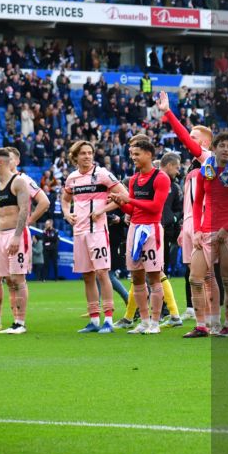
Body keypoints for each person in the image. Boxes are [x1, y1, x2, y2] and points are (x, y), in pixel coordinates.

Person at [0, 147, 49, 332]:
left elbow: (24, 210)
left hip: (15, 234)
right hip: (1, 235)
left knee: (18, 279)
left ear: (0, 162)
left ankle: (20, 323)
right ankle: (3, 320)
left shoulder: (19, 182)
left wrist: (18, 236)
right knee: (7, 279)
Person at [188, 131, 228, 337]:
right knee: (195, 278)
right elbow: (198, 202)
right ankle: (201, 326)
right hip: (206, 232)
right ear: (213, 148)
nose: (225, 149)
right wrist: (197, 230)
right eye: (222, 145)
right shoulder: (205, 171)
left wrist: (225, 229)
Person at [156, 90, 209, 326]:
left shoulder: (208, 159)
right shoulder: (193, 167)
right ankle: (197, 315)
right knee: (192, 273)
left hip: (202, 224)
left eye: (194, 137)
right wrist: (184, 227)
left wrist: (168, 113)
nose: (189, 139)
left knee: (205, 274)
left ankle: (211, 319)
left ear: (205, 143)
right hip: (189, 222)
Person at [109, 135, 171, 335]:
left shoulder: (161, 178)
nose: (133, 157)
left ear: (149, 154)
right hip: (134, 229)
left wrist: (129, 200)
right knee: (136, 277)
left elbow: (156, 207)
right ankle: (144, 321)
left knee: (154, 277)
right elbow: (132, 210)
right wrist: (120, 202)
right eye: (131, 154)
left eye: (137, 154)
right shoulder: (134, 179)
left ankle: (155, 322)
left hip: (151, 229)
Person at [62, 139, 124, 334]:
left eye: (90, 153)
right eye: (83, 153)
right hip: (79, 232)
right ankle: (94, 320)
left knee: (102, 273)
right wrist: (67, 213)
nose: (87, 156)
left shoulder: (102, 174)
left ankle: (109, 321)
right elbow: (65, 199)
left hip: (97, 231)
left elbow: (124, 195)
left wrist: (102, 210)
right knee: (87, 276)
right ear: (75, 157)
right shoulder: (72, 178)